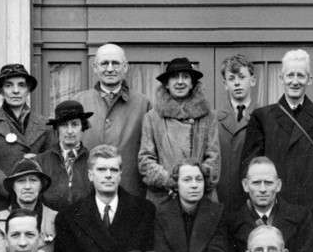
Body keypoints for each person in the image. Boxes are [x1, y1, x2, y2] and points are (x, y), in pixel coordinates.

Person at [56, 145, 156, 252]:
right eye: (101, 169)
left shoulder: (144, 210)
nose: (108, 175)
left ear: (120, 175)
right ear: (90, 175)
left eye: (113, 170)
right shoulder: (69, 216)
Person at [242, 49, 313, 211]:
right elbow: (250, 166)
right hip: (275, 206)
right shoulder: (262, 117)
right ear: (281, 78)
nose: (295, 81)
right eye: (290, 75)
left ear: (309, 80)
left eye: (301, 76)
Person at [71, 43, 152, 198]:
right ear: (95, 67)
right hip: (86, 192)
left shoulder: (143, 104)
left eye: (115, 63)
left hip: (130, 191)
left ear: (125, 67)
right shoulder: (78, 102)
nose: (109, 69)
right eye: (104, 63)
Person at [139, 57, 221, 204]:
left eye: (185, 77)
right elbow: (145, 161)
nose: (180, 82)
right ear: (166, 84)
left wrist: (192, 182)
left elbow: (213, 159)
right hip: (164, 198)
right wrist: (172, 181)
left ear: (192, 84)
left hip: (201, 198)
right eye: (174, 77)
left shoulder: (208, 117)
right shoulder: (152, 118)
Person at [223, 157, 313, 252]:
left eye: (268, 183)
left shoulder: (301, 217)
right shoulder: (231, 222)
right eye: (256, 183)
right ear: (245, 185)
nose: (262, 189)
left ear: (278, 185)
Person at [0, 63, 52, 216]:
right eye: (9, 85)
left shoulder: (44, 124)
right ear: (1, 90)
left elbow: (51, 161)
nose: (16, 91)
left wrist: (30, 188)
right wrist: (10, 188)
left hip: (33, 197)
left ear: (28, 89)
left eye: (21, 85)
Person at [0, 156, 60, 252]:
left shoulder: (55, 218)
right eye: (21, 181)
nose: (27, 186)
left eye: (33, 180)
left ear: (41, 186)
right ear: (13, 187)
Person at [215, 54, 257, 213]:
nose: (237, 83)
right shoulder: (213, 119)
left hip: (252, 203)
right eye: (231, 79)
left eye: (242, 77)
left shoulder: (264, 116)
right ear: (225, 84)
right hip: (220, 201)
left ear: (252, 80)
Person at [40, 100, 94, 212]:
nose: (69, 131)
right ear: (57, 128)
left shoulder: (94, 161)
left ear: (82, 127)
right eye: (64, 125)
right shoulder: (40, 161)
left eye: (74, 124)